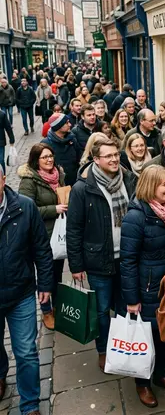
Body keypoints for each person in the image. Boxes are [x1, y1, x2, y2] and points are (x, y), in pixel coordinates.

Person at [67, 138, 136, 372]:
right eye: (108, 156)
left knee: (124, 307)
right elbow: (74, 229)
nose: (115, 159)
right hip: (98, 260)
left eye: (116, 154)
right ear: (96, 160)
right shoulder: (82, 188)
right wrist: (76, 265)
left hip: (126, 257)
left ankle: (122, 346)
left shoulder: (128, 179)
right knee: (101, 310)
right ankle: (104, 349)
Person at [120, 165, 165, 407]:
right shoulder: (136, 216)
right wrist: (132, 299)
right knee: (147, 337)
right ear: (150, 186)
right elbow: (128, 260)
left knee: (164, 333)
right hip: (147, 287)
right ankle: (142, 383)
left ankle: (161, 372)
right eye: (164, 184)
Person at [0, 168, 53, 415]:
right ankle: (1, 375)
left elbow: (41, 247)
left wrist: (45, 283)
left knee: (26, 352)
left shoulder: (24, 207)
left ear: (3, 179)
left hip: (20, 291)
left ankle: (30, 404)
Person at [18, 143, 67, 331]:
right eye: (44, 157)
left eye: (51, 156)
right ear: (36, 160)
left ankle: (57, 306)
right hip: (41, 235)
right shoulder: (29, 180)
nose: (49, 160)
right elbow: (26, 210)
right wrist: (53, 209)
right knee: (46, 273)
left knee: (57, 272)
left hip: (59, 233)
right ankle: (46, 310)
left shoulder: (59, 174)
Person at [42, 114, 81, 187]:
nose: (70, 124)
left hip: (74, 182)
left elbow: (79, 158)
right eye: (67, 122)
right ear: (58, 126)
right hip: (57, 184)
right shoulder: (46, 144)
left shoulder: (72, 139)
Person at [0, 107, 15, 173]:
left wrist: (11, 139)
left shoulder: (2, 114)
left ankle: (3, 176)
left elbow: (8, 127)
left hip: (0, 141)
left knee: (1, 160)